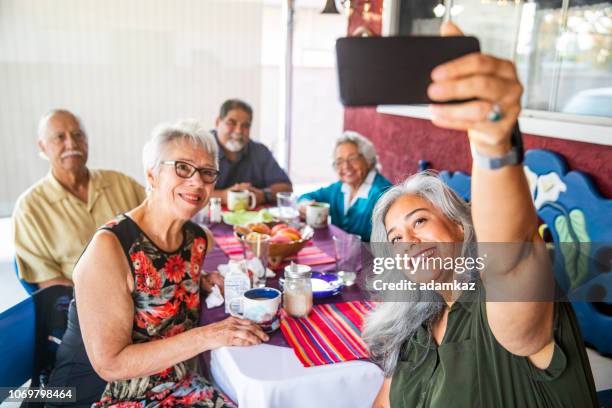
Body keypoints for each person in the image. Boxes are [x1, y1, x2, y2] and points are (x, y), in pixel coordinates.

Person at [363, 22, 598, 407]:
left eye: (419, 221)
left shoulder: (498, 305)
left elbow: (510, 254)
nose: (409, 242)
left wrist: (491, 141)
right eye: (395, 238)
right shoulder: (418, 326)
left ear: (458, 225)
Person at [48, 120, 268, 406]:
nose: (197, 181)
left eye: (207, 172)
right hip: (100, 394)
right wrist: (209, 335)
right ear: (151, 175)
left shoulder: (198, 240)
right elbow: (111, 364)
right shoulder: (109, 249)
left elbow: (160, 289)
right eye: (182, 167)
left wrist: (201, 282)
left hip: (173, 383)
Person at [12, 109, 146, 288]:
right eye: (60, 137)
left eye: (78, 135)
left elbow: (159, 221)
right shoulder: (29, 208)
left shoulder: (122, 183)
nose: (71, 144)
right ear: (42, 147)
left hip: (144, 294)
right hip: (79, 306)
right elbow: (49, 283)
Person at [298, 131, 391, 241]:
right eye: (339, 161)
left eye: (352, 158)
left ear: (368, 159)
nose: (346, 166)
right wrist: (305, 205)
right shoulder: (339, 188)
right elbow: (306, 197)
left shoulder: (383, 194)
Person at [210, 98, 292, 205]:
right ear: (217, 122)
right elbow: (184, 190)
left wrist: (263, 195)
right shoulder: (201, 148)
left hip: (254, 220)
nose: (239, 131)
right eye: (232, 123)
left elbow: (286, 188)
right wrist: (222, 196)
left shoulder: (260, 151)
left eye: (245, 125)